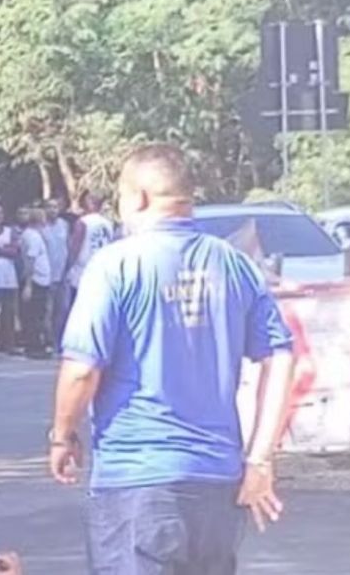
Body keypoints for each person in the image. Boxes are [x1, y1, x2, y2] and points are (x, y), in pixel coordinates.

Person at [51, 144, 296, 575]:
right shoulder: (235, 266)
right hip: (218, 484)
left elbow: (82, 370)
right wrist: (260, 458)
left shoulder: (114, 266)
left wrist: (62, 434)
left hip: (138, 482)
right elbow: (280, 358)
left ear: (140, 198)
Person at [66, 190, 117, 306]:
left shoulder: (83, 222)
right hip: (102, 268)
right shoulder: (108, 223)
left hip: (82, 270)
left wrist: (69, 266)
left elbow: (75, 246)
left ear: (89, 203)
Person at [18, 207, 52, 359]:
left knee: (37, 313)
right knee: (35, 314)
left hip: (42, 279)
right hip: (36, 280)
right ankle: (34, 346)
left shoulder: (32, 235)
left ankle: (35, 344)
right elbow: (30, 260)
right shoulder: (33, 237)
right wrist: (28, 284)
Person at [0, 204, 20, 356]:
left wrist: (0, 250)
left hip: (8, 276)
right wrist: (3, 249)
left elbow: (15, 251)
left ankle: (8, 344)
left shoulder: (9, 231)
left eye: (0, 213)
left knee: (9, 312)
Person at [42, 197, 71, 353]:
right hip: (46, 275)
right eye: (49, 207)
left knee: (63, 309)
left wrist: (69, 268)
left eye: (55, 207)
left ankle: (60, 340)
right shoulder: (41, 226)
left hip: (63, 274)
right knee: (47, 310)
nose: (53, 210)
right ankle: (48, 341)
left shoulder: (64, 225)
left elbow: (69, 246)